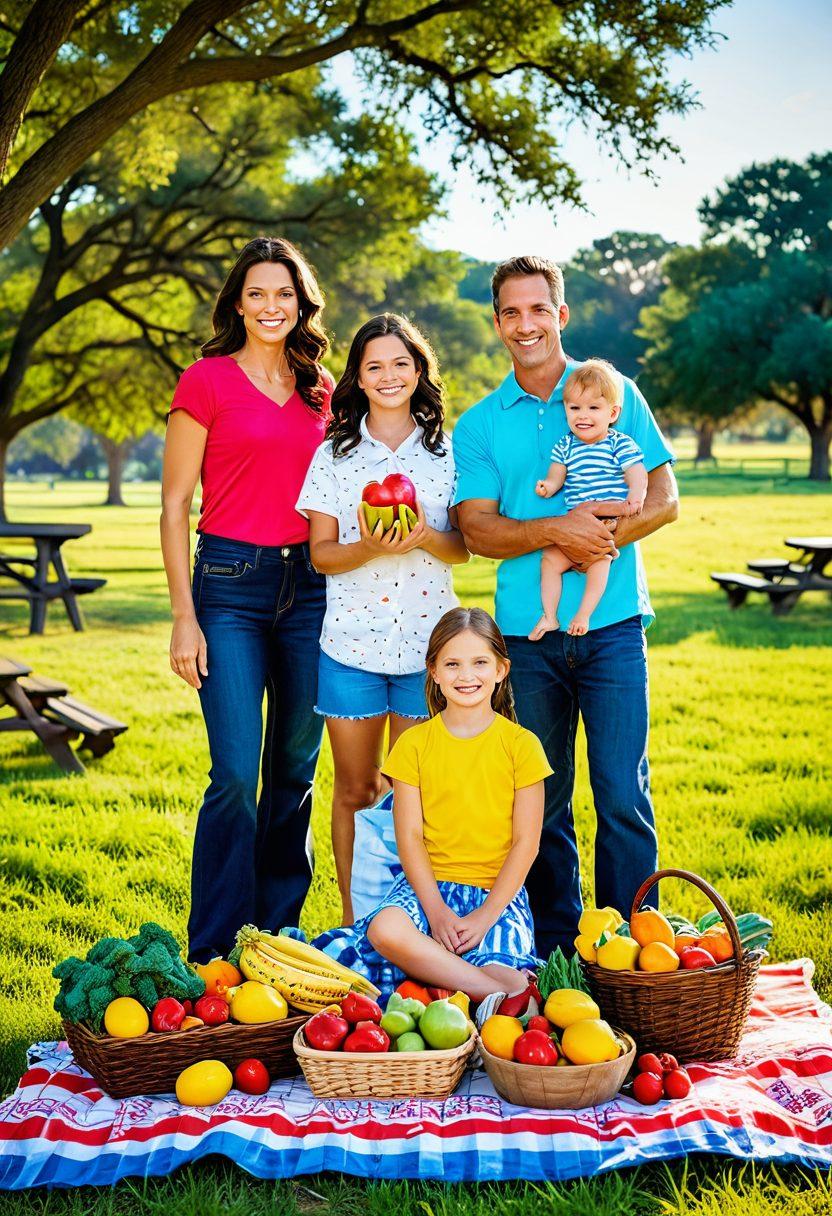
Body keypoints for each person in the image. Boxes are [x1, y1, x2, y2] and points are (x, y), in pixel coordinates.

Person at [452, 255, 678, 958]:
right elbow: (476, 528)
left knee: (621, 796)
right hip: (526, 636)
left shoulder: (616, 394)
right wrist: (556, 528)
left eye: (538, 309)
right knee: (542, 807)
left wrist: (595, 540)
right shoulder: (482, 423)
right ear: (497, 323)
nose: (527, 325)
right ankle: (559, 958)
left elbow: (665, 500)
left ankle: (632, 952)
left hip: (611, 627)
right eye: (511, 313)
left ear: (561, 314)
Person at [161, 236, 333, 963]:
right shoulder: (205, 380)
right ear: (238, 301)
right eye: (258, 293)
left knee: (294, 771)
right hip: (228, 586)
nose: (271, 306)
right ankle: (215, 954)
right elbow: (174, 506)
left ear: (302, 304)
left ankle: (277, 945)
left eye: (285, 294)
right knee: (234, 774)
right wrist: (182, 617)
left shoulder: (323, 388)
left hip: (314, 590)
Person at [297, 314, 468, 925]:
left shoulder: (448, 454)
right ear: (359, 379)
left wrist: (424, 533)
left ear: (419, 371)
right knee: (355, 790)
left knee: (412, 797)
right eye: (374, 366)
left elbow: (463, 547)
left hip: (429, 653)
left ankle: (409, 921)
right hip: (351, 649)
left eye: (401, 363)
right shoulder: (334, 457)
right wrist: (370, 545)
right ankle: (351, 918)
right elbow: (321, 554)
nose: (389, 375)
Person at [314, 607, 552, 1000]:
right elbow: (409, 837)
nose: (466, 675)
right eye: (453, 664)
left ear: (501, 669)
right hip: (425, 890)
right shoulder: (414, 745)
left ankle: (459, 982)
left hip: (495, 894)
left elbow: (526, 843)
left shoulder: (521, 746)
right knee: (385, 930)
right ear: (434, 672)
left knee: (512, 975)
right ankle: (484, 991)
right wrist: (437, 911)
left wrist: (484, 917)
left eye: (479, 663)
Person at [531, 358, 648, 640]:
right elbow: (557, 475)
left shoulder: (618, 443)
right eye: (574, 408)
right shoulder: (566, 445)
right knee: (550, 561)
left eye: (593, 408)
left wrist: (635, 495)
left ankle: (583, 614)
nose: (582, 415)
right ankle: (549, 616)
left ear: (613, 412)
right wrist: (548, 486)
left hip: (606, 518)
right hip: (575, 526)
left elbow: (637, 473)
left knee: (599, 565)